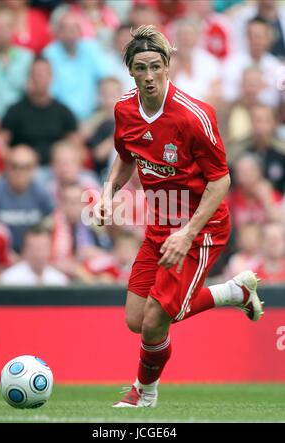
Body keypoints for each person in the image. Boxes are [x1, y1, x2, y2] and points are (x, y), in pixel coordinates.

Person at [93, 25, 264, 408]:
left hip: (202, 227)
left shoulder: (194, 115)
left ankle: (145, 393)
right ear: (131, 70)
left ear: (168, 65)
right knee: (136, 319)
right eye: (141, 68)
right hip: (161, 224)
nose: (149, 76)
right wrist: (108, 194)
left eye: (156, 66)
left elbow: (221, 182)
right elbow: (125, 156)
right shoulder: (124, 109)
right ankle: (232, 292)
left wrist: (187, 233)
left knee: (156, 319)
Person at [0, 225, 68, 286]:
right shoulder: (9, 280)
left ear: (50, 248)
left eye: (43, 247)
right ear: (24, 250)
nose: (38, 253)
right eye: (34, 248)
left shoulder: (60, 280)